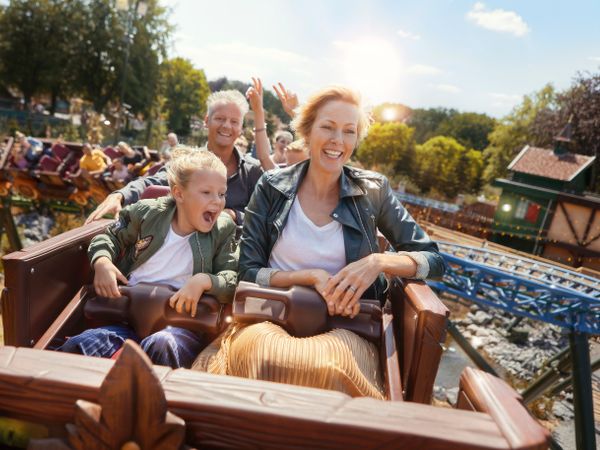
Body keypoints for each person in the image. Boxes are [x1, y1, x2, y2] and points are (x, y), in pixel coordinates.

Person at [193, 86, 445, 399]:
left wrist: (377, 262)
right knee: (266, 357)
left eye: (349, 131)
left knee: (329, 368)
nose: (337, 140)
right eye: (327, 127)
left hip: (346, 327)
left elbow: (433, 260)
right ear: (308, 130)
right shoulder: (271, 186)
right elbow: (248, 270)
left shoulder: (374, 190)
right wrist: (309, 277)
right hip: (271, 315)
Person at [59, 147, 238, 368]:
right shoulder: (147, 214)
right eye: (206, 193)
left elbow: (231, 276)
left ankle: (158, 399)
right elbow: (110, 237)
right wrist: (102, 261)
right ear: (179, 194)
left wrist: (205, 281)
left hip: (182, 324)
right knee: (82, 344)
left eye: (222, 194)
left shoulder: (222, 229)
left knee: (162, 344)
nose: (217, 201)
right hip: (127, 315)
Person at [86, 90, 263, 226]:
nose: (226, 126)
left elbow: (261, 215)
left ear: (241, 128)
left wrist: (233, 214)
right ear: (206, 120)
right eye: (220, 118)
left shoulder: (252, 171)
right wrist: (119, 196)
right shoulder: (187, 162)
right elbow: (153, 181)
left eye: (234, 121)